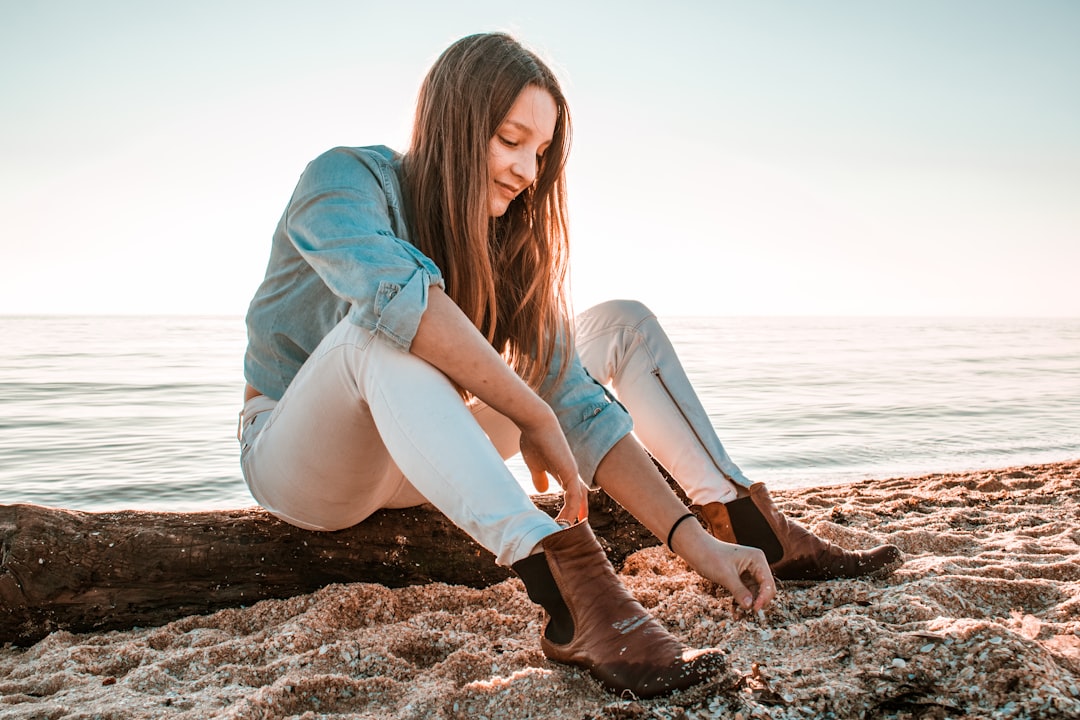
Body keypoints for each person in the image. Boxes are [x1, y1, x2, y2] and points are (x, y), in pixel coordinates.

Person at [238, 32, 900, 698]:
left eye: (542, 151)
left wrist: (696, 547)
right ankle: (569, 589)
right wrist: (530, 411)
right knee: (380, 334)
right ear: (454, 122)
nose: (528, 171)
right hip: (305, 462)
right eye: (509, 139)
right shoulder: (342, 180)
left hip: (423, 441)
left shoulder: (507, 234)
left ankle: (739, 520)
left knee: (618, 325)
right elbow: (398, 303)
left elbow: (574, 401)